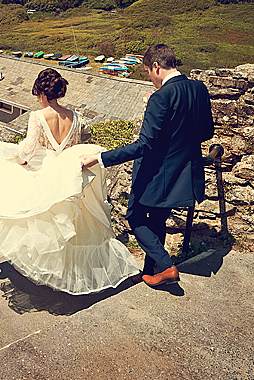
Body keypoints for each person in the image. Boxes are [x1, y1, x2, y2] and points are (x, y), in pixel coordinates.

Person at [0, 69, 139, 294]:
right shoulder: (76, 116)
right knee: (73, 222)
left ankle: (40, 268)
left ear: (42, 94)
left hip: (46, 172)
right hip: (69, 174)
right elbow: (81, 142)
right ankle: (74, 270)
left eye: (37, 95)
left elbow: (28, 151)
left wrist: (19, 160)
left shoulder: (38, 116)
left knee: (37, 218)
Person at [80, 44, 215, 288]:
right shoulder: (198, 88)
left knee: (135, 217)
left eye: (148, 73)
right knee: (156, 222)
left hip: (157, 174)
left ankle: (166, 266)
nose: (150, 79)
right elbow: (206, 131)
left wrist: (100, 159)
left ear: (156, 66)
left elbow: (144, 145)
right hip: (185, 171)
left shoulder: (160, 97)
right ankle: (150, 272)